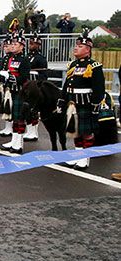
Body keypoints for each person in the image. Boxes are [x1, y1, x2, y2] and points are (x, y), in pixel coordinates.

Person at [57, 30, 105, 170]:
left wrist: (95, 106)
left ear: (88, 49)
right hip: (73, 103)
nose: (76, 48)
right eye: (76, 45)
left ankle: (85, 158)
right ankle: (77, 156)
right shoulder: (73, 65)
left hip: (86, 103)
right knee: (76, 131)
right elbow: (67, 85)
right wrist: (62, 100)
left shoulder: (94, 66)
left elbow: (98, 88)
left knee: (86, 133)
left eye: (80, 46)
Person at [0, 33, 30, 154]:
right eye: (12, 44)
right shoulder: (11, 59)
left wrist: (11, 78)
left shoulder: (24, 59)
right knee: (13, 117)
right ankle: (14, 140)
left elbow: (24, 77)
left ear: (22, 46)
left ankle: (19, 143)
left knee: (20, 118)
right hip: (10, 91)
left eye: (16, 44)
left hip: (20, 91)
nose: (13, 46)